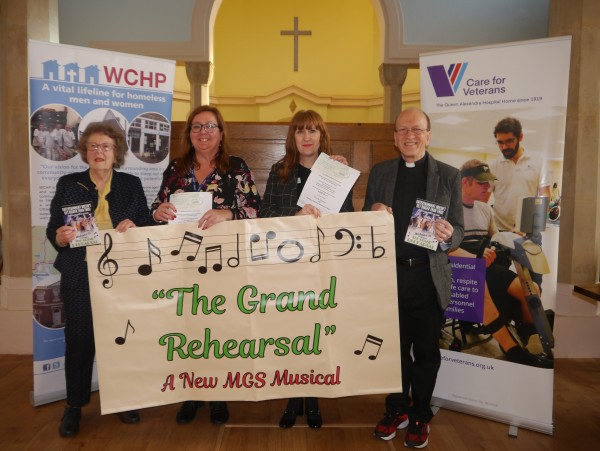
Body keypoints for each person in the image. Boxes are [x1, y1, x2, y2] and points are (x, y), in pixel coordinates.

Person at [151, 105, 261, 425]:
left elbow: (256, 211)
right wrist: (158, 212)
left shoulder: (236, 168)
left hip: (223, 263)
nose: (203, 132)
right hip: (183, 261)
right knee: (187, 330)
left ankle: (218, 395)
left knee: (218, 330)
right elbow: (159, 206)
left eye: (210, 127)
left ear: (221, 133)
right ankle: (191, 393)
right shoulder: (176, 167)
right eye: (197, 127)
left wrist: (228, 213)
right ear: (189, 134)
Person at [364, 107, 463, 448]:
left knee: (425, 352)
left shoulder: (449, 175)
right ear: (394, 137)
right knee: (393, 352)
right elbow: (364, 220)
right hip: (389, 276)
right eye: (403, 130)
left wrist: (450, 234)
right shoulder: (380, 172)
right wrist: (373, 210)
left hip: (427, 276)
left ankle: (420, 413)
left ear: (428, 134)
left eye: (416, 130)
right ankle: (397, 409)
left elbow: (460, 230)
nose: (409, 135)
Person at [46, 121, 153, 438]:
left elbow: (146, 223)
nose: (98, 152)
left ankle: (123, 400)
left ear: (116, 151)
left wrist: (135, 224)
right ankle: (74, 406)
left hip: (122, 274)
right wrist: (61, 236)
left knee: (121, 338)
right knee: (79, 340)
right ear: (84, 151)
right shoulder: (69, 183)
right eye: (93, 146)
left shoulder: (131, 184)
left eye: (105, 146)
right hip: (80, 271)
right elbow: (56, 227)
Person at [261, 109, 354, 429]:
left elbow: (348, 216)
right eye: (300, 131)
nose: (306, 137)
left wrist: (340, 180)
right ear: (293, 137)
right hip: (288, 264)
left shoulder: (336, 171)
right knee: (291, 334)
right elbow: (265, 213)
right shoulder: (279, 170)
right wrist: (295, 214)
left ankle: (312, 398)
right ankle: (292, 398)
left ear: (321, 136)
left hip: (323, 263)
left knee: (316, 333)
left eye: (313, 131)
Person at [449, 159, 552, 368]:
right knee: (481, 285)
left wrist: (511, 237)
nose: (489, 188)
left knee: (531, 291)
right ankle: (510, 348)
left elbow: (495, 236)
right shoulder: (448, 210)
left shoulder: (485, 210)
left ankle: (530, 339)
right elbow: (445, 249)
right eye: (482, 183)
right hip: (460, 270)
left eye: (489, 183)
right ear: (465, 182)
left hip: (487, 266)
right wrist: (475, 259)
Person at [489, 117, 551, 233]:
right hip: (500, 230)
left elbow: (544, 196)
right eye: (500, 142)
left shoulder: (538, 161)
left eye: (509, 141)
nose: (504, 147)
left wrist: (535, 223)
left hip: (529, 230)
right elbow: (482, 200)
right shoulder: (494, 166)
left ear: (520, 137)